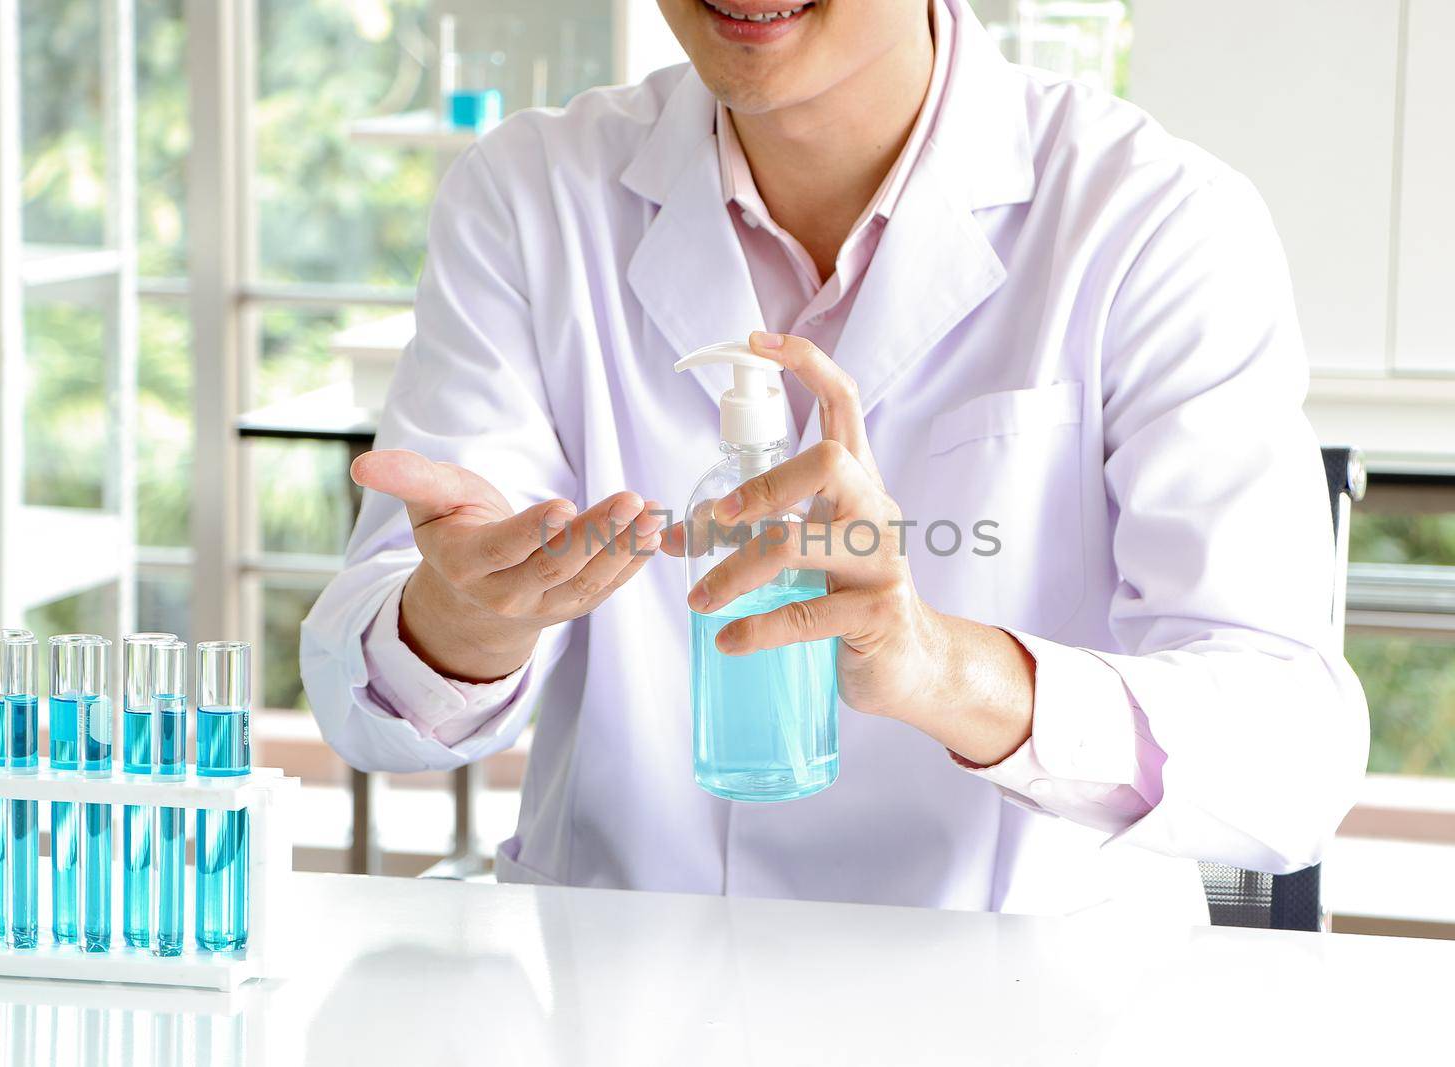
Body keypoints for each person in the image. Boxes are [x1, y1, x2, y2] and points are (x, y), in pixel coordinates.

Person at [301, 0, 1367, 919]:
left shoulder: (1152, 219)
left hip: (1021, 998)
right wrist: (465, 621)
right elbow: (369, 705)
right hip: (622, 972)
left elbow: (1288, 759)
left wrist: (941, 666)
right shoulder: (530, 194)